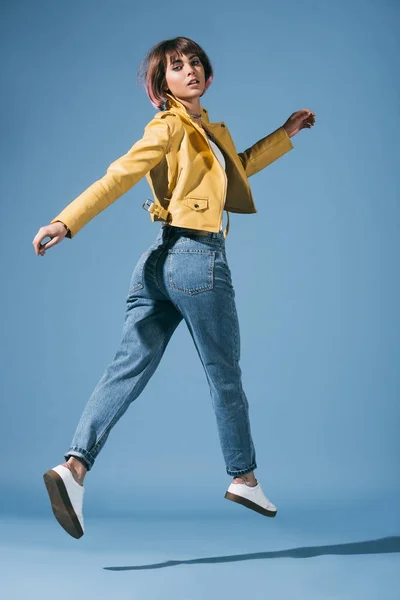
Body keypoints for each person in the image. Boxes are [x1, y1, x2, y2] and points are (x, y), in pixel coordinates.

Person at [32, 36, 315, 539]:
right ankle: (243, 476)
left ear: (207, 73)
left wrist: (284, 133)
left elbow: (235, 171)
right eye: (177, 66)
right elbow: (119, 176)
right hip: (197, 259)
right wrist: (65, 221)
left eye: (196, 63)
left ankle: (74, 469)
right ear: (161, 84)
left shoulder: (204, 133)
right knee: (224, 373)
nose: (190, 71)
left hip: (158, 263)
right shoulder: (167, 127)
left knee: (125, 369)